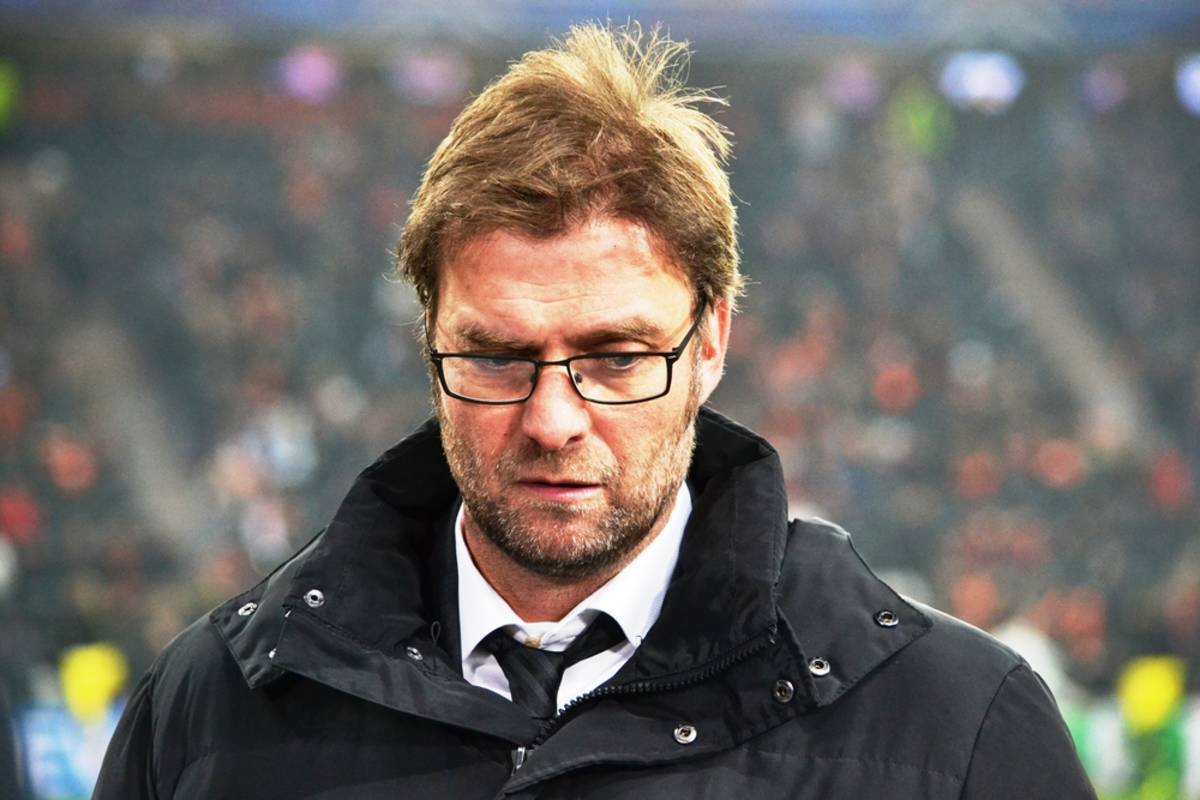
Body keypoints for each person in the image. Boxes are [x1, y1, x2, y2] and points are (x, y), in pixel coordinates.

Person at [94, 23, 1096, 799]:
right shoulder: (207, 711)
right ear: (427, 340)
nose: (552, 420)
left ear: (711, 342)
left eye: (616, 358)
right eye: (496, 356)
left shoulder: (959, 727)